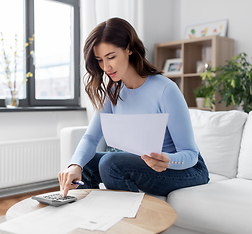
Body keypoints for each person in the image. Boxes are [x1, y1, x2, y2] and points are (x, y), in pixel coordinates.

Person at [59, 17, 209, 197]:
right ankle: (90, 215)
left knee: (110, 162)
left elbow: (190, 154)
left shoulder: (165, 89)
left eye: (111, 57)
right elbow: (91, 138)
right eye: (99, 60)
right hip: (145, 163)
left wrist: (168, 160)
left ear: (129, 48)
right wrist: (75, 166)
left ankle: (129, 219)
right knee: (87, 164)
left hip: (188, 169)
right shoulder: (113, 92)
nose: (106, 67)